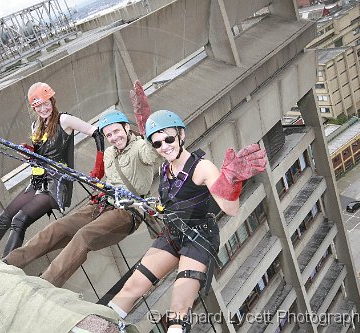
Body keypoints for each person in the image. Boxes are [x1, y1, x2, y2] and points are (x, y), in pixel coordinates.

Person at [108, 110, 267, 333]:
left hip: (199, 238)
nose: (164, 146)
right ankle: (102, 326)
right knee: (132, 287)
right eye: (157, 144)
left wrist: (230, 181)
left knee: (179, 306)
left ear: (181, 135)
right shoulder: (165, 167)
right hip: (173, 233)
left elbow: (231, 209)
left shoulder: (203, 167)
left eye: (169, 139)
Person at [3, 108, 160, 287]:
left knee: (84, 236)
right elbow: (100, 175)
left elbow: (152, 154)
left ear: (126, 127)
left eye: (117, 131)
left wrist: (149, 133)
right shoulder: (110, 153)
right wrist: (39, 156)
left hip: (128, 212)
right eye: (109, 135)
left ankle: (46, 283)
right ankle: (10, 262)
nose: (114, 137)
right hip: (103, 204)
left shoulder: (140, 147)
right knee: (57, 227)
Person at [0, 82, 105, 258]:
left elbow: (97, 133)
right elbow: (40, 155)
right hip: (37, 182)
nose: (44, 109)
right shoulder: (35, 127)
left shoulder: (64, 120)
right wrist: (30, 153)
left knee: (19, 220)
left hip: (56, 186)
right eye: (39, 106)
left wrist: (99, 166)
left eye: (47, 103)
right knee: (5, 216)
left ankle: (7, 262)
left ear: (53, 101)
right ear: (34, 107)